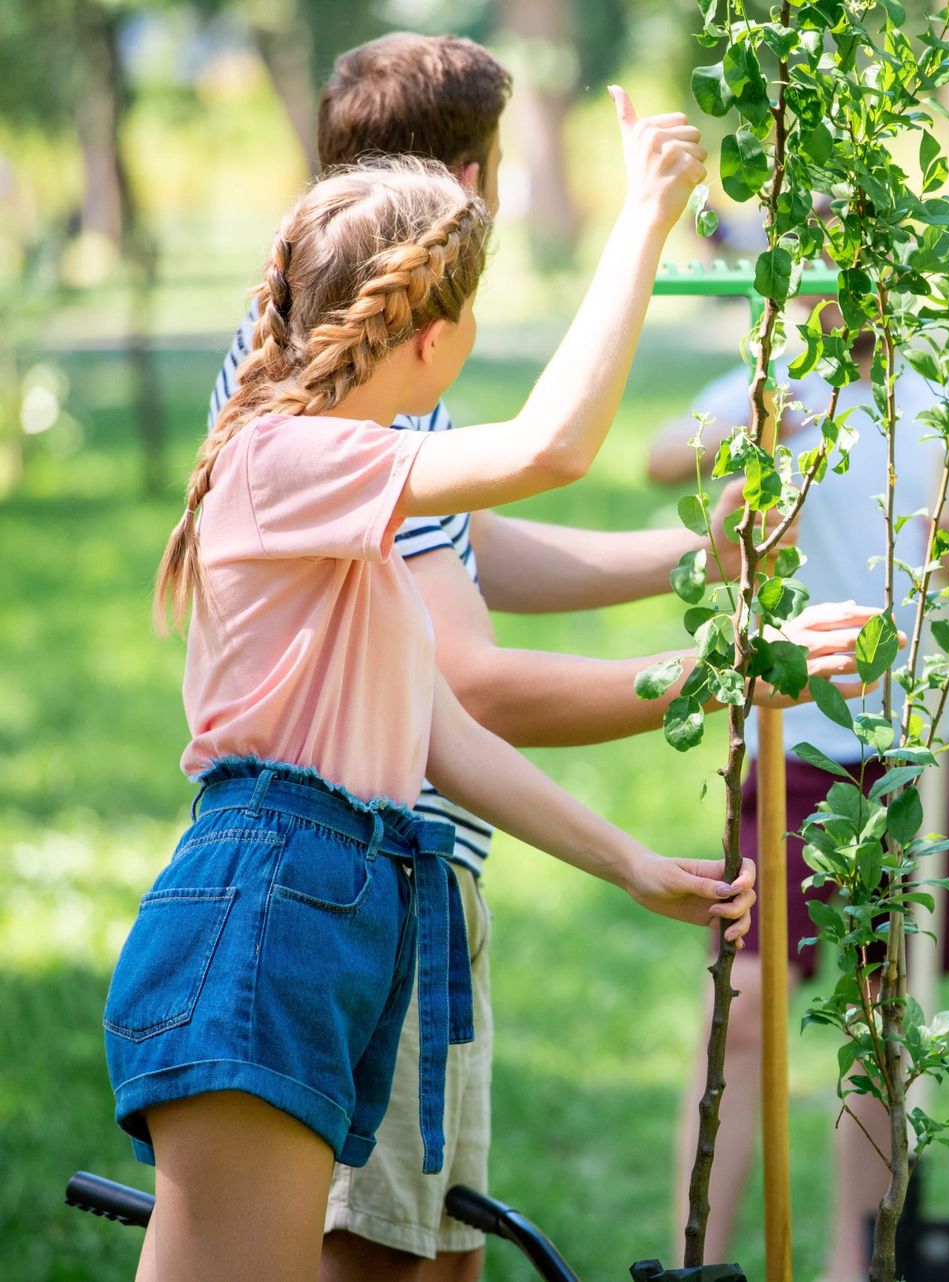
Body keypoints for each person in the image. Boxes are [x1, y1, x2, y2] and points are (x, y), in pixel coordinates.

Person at [206, 36, 870, 1281]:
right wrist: (645, 221)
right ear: (458, 200)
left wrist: (698, 571)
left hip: (392, 873)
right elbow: (537, 497)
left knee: (436, 1254)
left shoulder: (344, 408)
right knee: (377, 1256)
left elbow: (458, 626)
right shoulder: (299, 436)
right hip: (334, 882)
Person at [106, 96, 756, 1280]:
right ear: (428, 335)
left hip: (345, 894)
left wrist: (632, 861)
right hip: (270, 896)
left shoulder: (353, 511)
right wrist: (647, 220)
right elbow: (553, 446)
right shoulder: (283, 456)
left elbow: (441, 730)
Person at [647, 330, 949, 1279]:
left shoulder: (946, 395)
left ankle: (854, 1264)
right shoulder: (778, 376)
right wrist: (762, 424)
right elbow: (658, 457)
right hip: (789, 734)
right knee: (747, 1000)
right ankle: (697, 1259)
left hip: (911, 740)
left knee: (883, 1015)